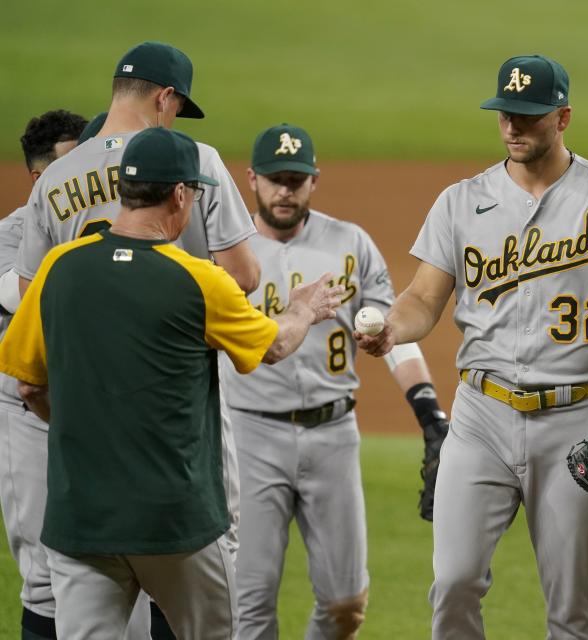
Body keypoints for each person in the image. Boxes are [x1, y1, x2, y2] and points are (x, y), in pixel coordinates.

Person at [356, 54, 588, 639]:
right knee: (452, 582)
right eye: (505, 114)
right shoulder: (461, 201)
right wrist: (394, 327)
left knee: (572, 606)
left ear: (563, 117)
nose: (513, 127)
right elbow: (424, 298)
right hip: (481, 418)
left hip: (574, 419)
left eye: (528, 115)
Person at [0, 127, 345, 640]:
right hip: (175, 523)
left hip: (81, 519)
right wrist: (302, 309)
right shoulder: (200, 280)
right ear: (181, 194)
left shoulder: (58, 267)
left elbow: (28, 386)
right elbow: (273, 345)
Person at [12, 41, 261, 636]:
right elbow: (246, 276)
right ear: (165, 96)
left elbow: (33, 300)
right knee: (201, 559)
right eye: (176, 106)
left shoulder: (55, 179)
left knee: (83, 573)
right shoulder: (196, 161)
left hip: (86, 412)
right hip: (180, 411)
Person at [220, 123, 450, 639]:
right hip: (249, 437)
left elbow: (392, 332)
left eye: (296, 180)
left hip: (333, 437)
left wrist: (429, 412)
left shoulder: (349, 243)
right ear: (251, 179)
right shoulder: (229, 252)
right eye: (275, 179)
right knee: (249, 603)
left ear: (314, 181)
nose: (285, 190)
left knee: (346, 605)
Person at [0, 109, 87, 640]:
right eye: (72, 165)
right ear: (41, 180)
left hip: (103, 408)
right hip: (28, 414)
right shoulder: (10, 235)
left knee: (141, 570)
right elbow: (29, 294)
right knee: (44, 576)